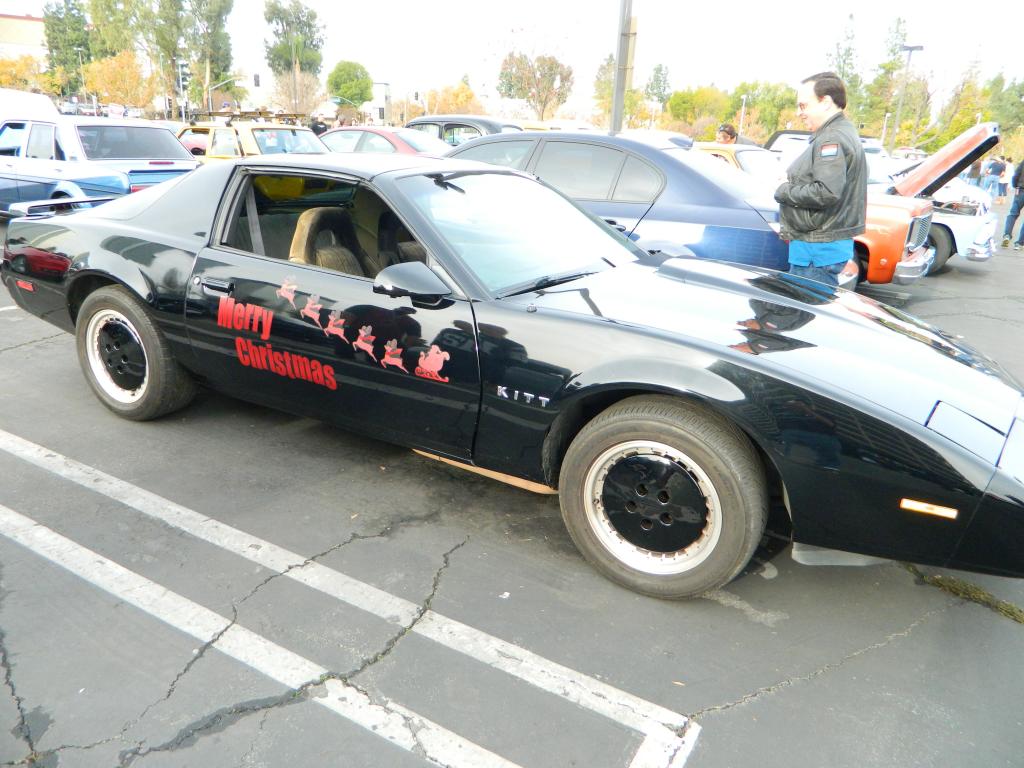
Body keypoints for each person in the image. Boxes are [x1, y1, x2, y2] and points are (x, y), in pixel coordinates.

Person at [774, 72, 867, 287]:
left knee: (807, 307)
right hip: (820, 247)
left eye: (803, 105)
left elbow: (826, 192)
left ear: (825, 102)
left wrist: (783, 189)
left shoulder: (831, 138)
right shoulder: (841, 133)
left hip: (816, 251)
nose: (799, 112)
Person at [1001, 162, 1024, 251]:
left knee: (1013, 214)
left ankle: (1007, 235)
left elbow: (1016, 174)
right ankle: (1019, 243)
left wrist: (1015, 185)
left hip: (1021, 190)